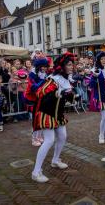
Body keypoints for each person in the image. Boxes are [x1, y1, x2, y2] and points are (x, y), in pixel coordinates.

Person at [31, 52, 75, 183]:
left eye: (72, 64)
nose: (71, 66)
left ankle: (55, 160)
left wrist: (71, 95)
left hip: (58, 114)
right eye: (69, 64)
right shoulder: (53, 79)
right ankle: (36, 172)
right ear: (62, 66)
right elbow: (40, 93)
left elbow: (68, 97)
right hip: (47, 113)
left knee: (62, 136)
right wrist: (57, 93)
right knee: (49, 140)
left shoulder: (66, 79)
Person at [25, 58, 49, 147]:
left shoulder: (44, 74)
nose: (45, 68)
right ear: (39, 66)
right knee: (35, 119)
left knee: (41, 118)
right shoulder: (32, 74)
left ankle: (39, 136)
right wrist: (44, 81)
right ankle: (34, 139)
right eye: (43, 67)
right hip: (32, 99)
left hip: (41, 98)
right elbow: (33, 87)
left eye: (46, 67)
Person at [90, 52, 105, 144]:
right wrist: (94, 77)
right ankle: (101, 135)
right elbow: (91, 85)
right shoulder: (96, 70)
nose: (104, 60)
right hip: (100, 97)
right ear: (99, 60)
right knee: (104, 117)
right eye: (102, 59)